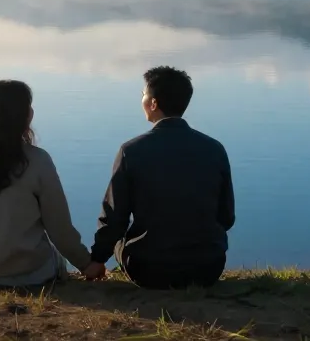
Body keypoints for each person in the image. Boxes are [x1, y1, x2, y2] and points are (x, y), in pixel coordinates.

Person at [83, 66, 235, 289]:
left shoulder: (131, 151)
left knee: (120, 241)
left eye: (143, 94)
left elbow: (115, 219)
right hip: (208, 269)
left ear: (153, 103)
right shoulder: (215, 149)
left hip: (149, 270)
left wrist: (97, 259)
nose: (142, 99)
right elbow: (226, 217)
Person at [0, 79, 93, 287]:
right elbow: (59, 228)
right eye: (29, 106)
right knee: (56, 257)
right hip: (27, 273)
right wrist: (86, 264)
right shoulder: (39, 161)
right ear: (24, 116)